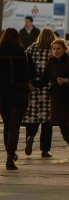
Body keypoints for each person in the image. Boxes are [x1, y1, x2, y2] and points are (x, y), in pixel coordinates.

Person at [0, 28, 32, 171]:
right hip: (20, 93)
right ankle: (10, 154)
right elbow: (32, 73)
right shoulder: (23, 54)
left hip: (4, 93)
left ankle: (10, 153)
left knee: (7, 124)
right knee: (15, 124)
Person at [32, 37, 69, 153]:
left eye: (58, 49)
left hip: (67, 97)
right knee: (62, 127)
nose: (56, 51)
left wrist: (66, 80)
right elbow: (43, 80)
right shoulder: (51, 63)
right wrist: (30, 82)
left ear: (64, 49)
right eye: (54, 49)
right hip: (57, 98)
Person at [24, 28, 56, 157]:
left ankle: (30, 136)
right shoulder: (54, 50)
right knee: (47, 121)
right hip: (49, 90)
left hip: (34, 89)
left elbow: (25, 66)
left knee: (32, 117)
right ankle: (45, 149)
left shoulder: (31, 49)